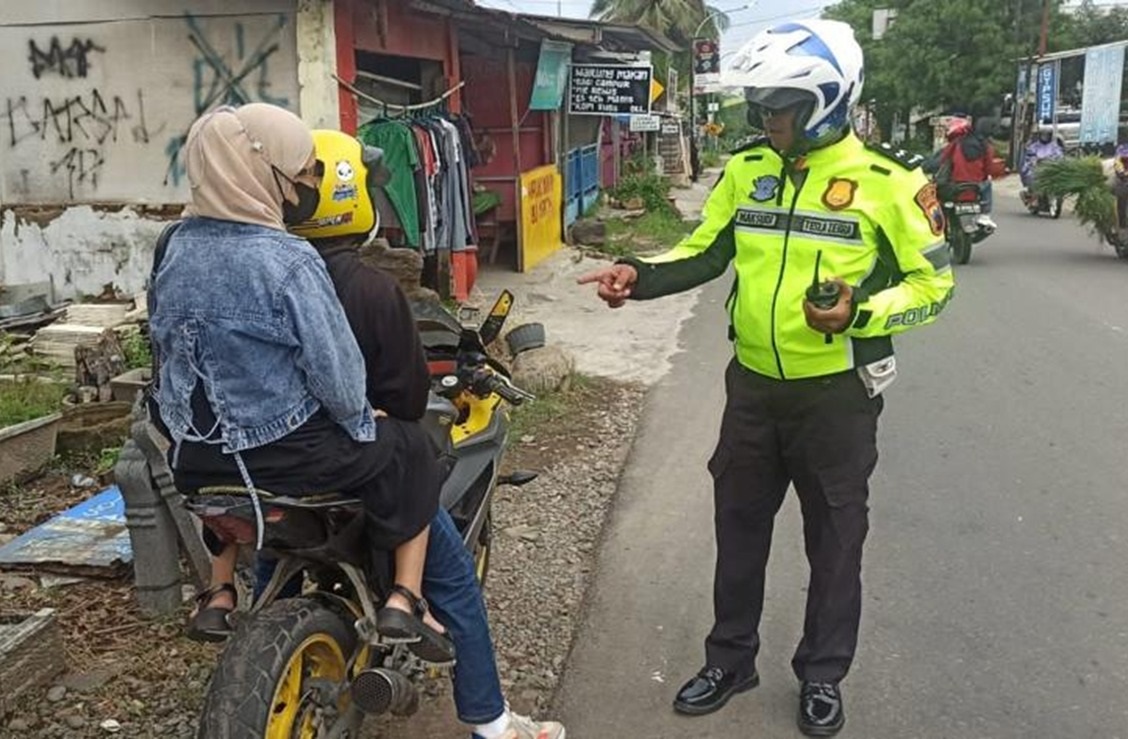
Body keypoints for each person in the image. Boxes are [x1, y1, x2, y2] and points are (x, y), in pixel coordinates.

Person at [578, 19, 954, 737]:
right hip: (751, 390)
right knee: (739, 527)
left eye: (778, 106)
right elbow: (707, 249)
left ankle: (821, 674)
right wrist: (641, 276)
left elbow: (933, 286)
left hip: (836, 398)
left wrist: (860, 313)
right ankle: (730, 658)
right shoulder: (749, 170)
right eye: (762, 107)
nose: (765, 119)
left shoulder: (891, 185)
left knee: (836, 540)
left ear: (825, 104)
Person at [282, 128, 565, 739]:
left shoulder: (262, 276)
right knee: (456, 576)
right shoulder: (369, 288)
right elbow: (407, 399)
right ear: (350, 196)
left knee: (271, 545)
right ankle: (491, 722)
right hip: (351, 464)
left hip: (267, 465)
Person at [148, 103, 452, 663]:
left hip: (192, 459)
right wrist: (364, 420)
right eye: (302, 171)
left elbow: (167, 352)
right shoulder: (287, 258)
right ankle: (405, 599)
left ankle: (219, 590)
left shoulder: (172, 246)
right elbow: (337, 373)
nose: (304, 186)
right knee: (410, 444)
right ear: (262, 172)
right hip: (285, 456)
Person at [934, 116, 1005, 230]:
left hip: (954, 185)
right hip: (976, 186)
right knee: (988, 183)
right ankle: (985, 216)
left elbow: (941, 161)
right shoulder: (986, 147)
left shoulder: (955, 144)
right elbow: (989, 169)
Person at [1020, 124, 1065, 194]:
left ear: (1050, 135)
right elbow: (1029, 157)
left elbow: (1059, 156)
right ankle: (1031, 194)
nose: (1045, 137)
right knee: (1028, 175)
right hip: (1037, 170)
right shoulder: (1034, 146)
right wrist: (1034, 161)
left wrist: (1049, 160)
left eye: (1047, 135)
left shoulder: (1054, 146)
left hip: (1050, 169)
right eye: (1043, 135)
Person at [1111, 138, 1128, 231]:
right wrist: (1123, 174)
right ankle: (1122, 226)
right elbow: (1117, 164)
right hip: (1124, 181)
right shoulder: (1122, 149)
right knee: (1122, 199)